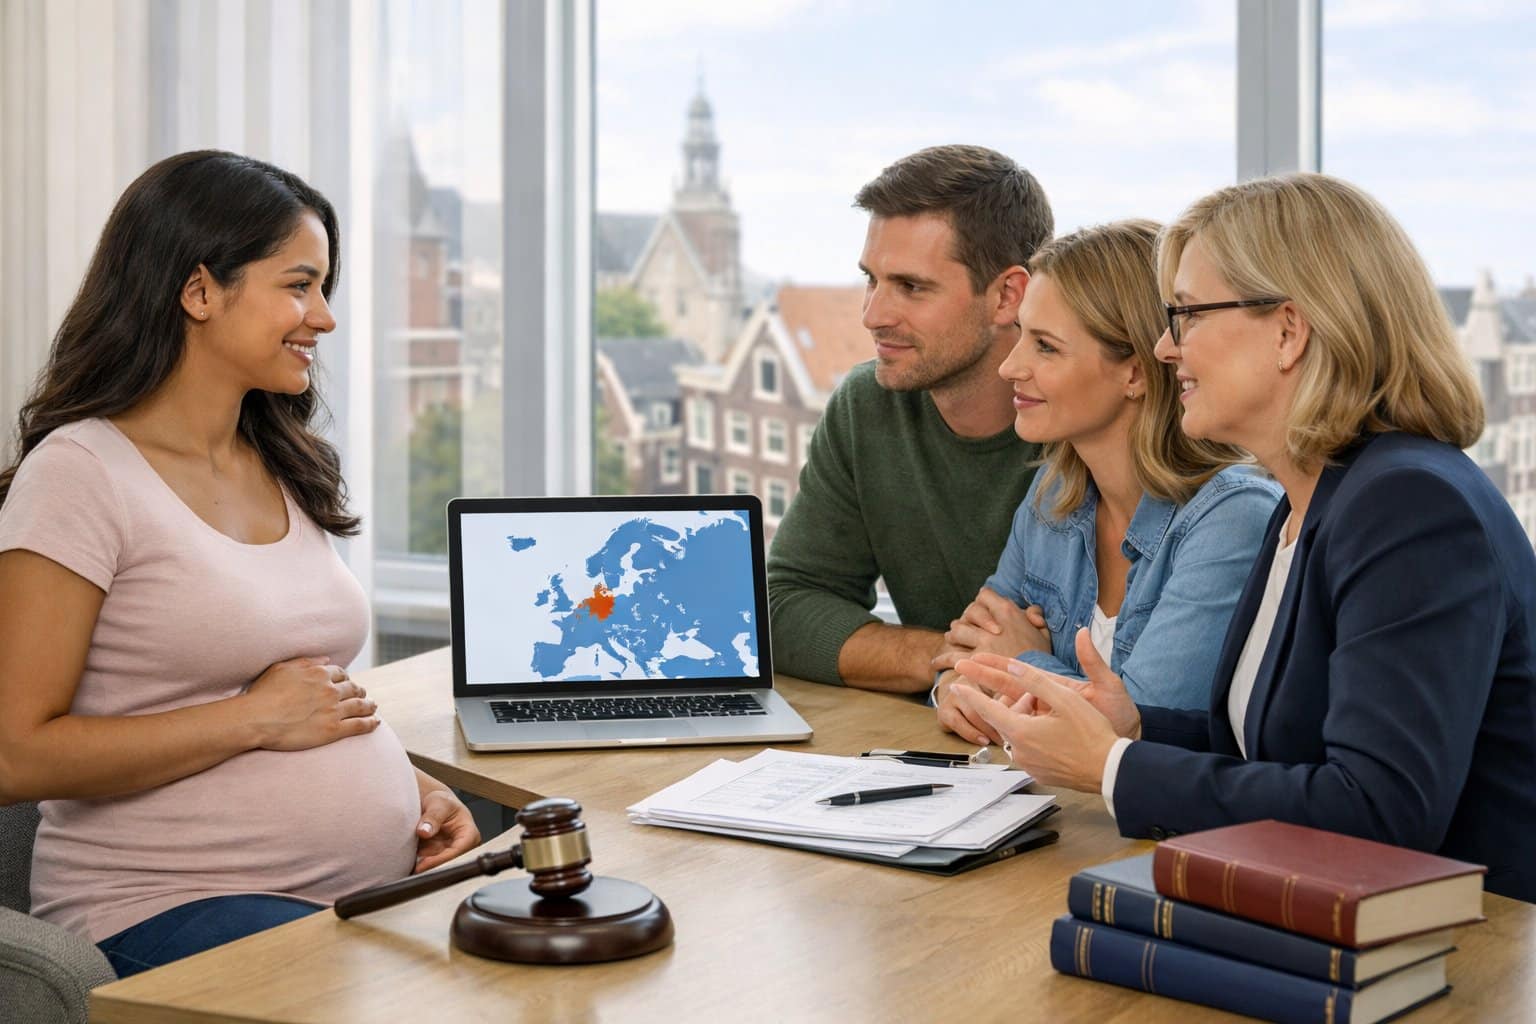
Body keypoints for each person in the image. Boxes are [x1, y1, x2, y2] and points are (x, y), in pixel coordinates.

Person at [953, 173, 1536, 902]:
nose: (1166, 348)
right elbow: (1282, 755)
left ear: (1290, 330)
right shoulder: (1308, 503)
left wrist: (1111, 767)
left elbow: (1381, 812)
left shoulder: (1409, 505)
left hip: (1458, 960)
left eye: (1188, 315)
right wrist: (1133, 728)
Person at [0, 150, 481, 976]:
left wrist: (415, 794)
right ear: (199, 292)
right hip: (165, 906)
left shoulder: (281, 460)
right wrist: (253, 719)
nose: (322, 318)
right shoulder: (79, 474)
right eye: (298, 286)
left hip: (356, 895)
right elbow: (15, 754)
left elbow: (307, 691)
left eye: (323, 288)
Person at [931, 221, 1279, 745]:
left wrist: (1020, 661)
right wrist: (955, 691)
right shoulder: (1053, 496)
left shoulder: (1233, 518)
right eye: (1021, 336)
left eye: (1045, 347)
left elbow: (1143, 730)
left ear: (1135, 372)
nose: (1010, 367)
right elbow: (964, 655)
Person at [767, 144, 1053, 693]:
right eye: (871, 280)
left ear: (1007, 296)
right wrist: (944, 655)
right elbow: (784, 604)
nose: (872, 315)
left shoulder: (1087, 420)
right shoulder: (867, 403)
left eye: (911, 287)